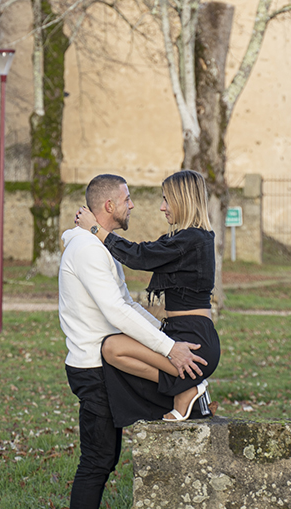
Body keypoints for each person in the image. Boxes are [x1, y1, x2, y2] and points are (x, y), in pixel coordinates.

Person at [59, 173, 206, 509]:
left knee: (105, 458)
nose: (133, 205)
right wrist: (170, 348)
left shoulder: (98, 248)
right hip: (93, 368)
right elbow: (117, 312)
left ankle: (192, 390)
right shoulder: (88, 251)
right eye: (127, 199)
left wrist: (163, 336)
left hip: (109, 365)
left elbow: (127, 301)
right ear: (109, 206)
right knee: (97, 459)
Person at [74, 169, 220, 424]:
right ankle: (186, 387)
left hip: (194, 338)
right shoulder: (185, 239)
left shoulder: (193, 239)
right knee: (112, 351)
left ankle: (188, 386)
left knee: (112, 347)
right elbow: (146, 253)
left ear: (182, 200)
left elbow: (140, 256)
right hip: (180, 330)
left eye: (166, 199)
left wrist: (96, 229)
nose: (162, 207)